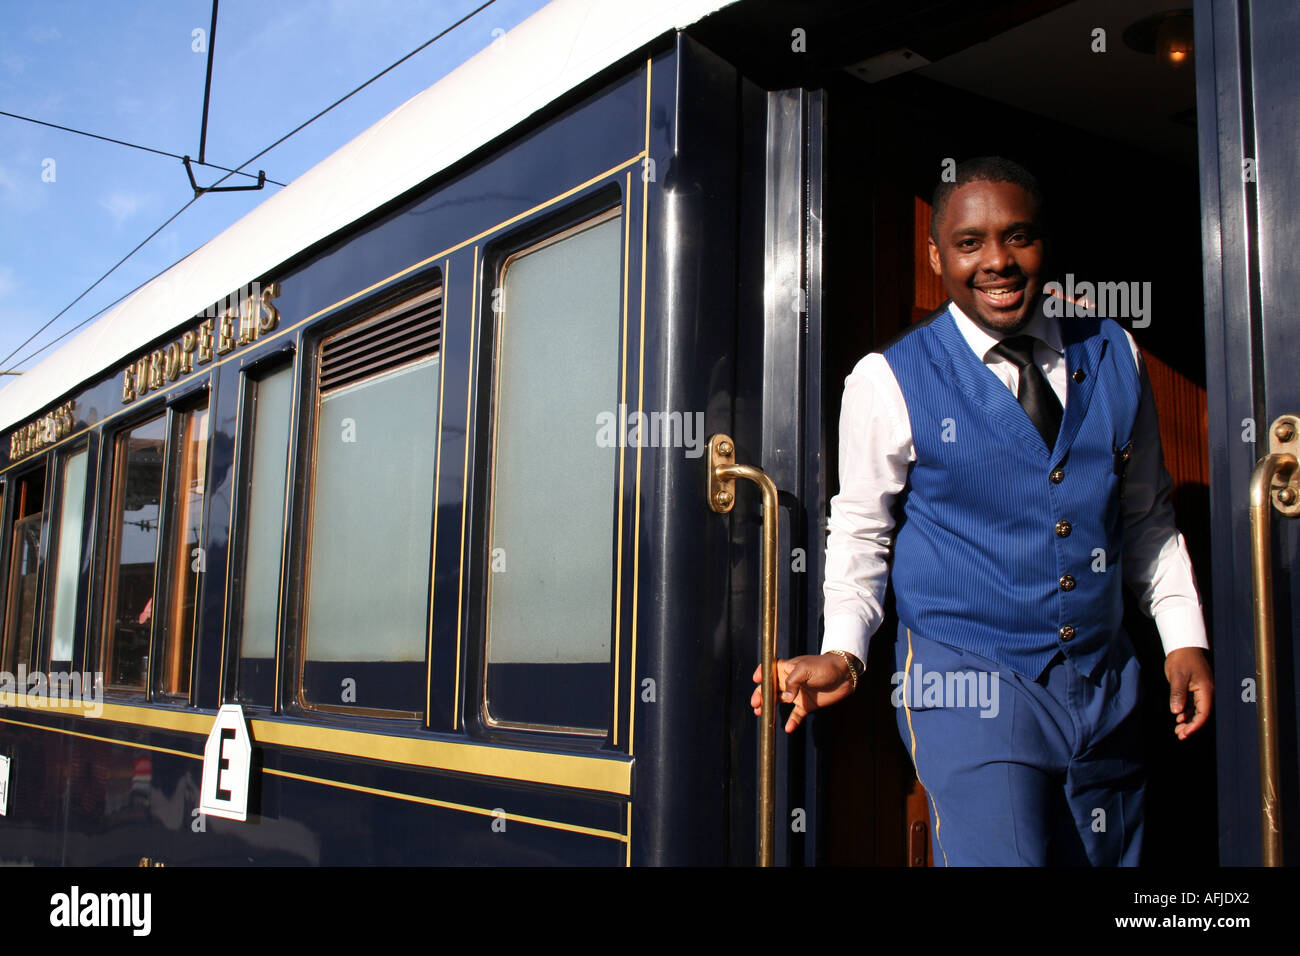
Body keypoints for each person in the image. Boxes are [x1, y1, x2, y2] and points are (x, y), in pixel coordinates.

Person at [751, 156, 1213, 866]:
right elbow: (861, 530)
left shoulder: (1115, 352)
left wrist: (1182, 636)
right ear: (937, 256)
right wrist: (846, 649)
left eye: (1018, 237)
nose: (997, 261)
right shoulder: (887, 379)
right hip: (966, 680)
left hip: (1104, 682)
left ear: (1043, 245)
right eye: (970, 243)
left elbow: (1147, 515)